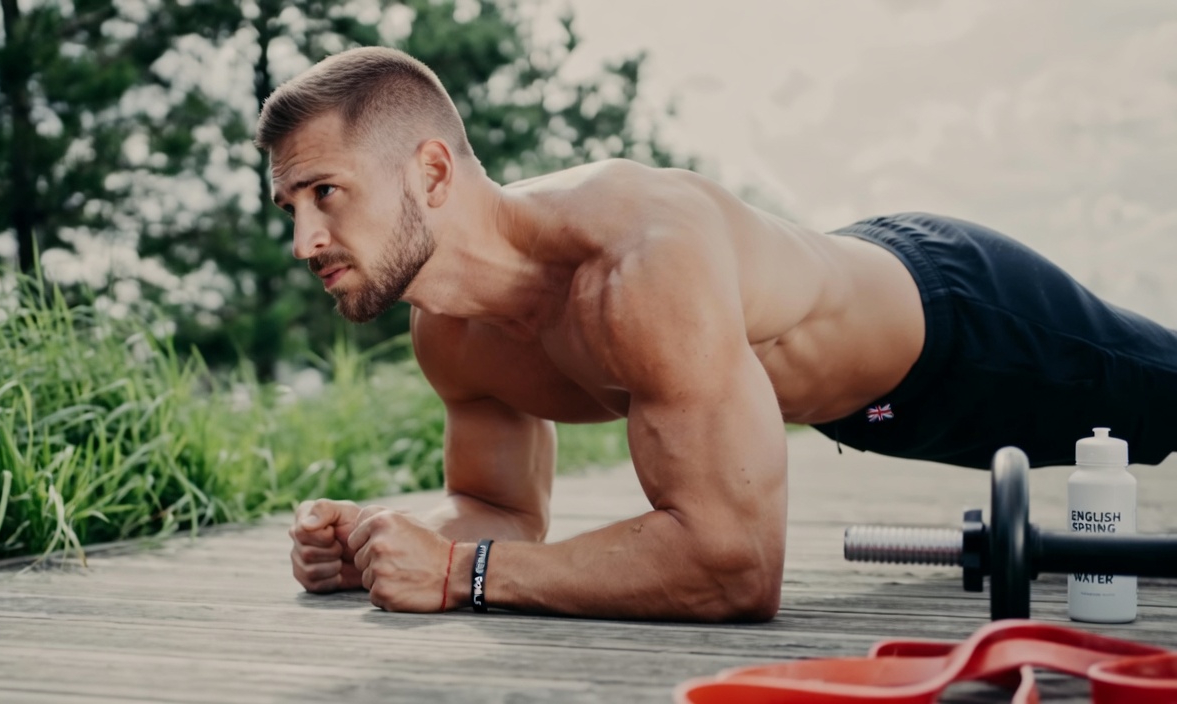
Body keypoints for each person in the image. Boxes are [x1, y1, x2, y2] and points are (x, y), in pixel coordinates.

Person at [259, 46, 1177, 621]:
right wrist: (384, 538)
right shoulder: (450, 336)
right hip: (858, 407)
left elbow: (734, 568)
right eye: (290, 207)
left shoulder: (637, 260)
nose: (303, 241)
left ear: (430, 172)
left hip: (958, 323)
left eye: (326, 193)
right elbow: (499, 511)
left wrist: (462, 574)